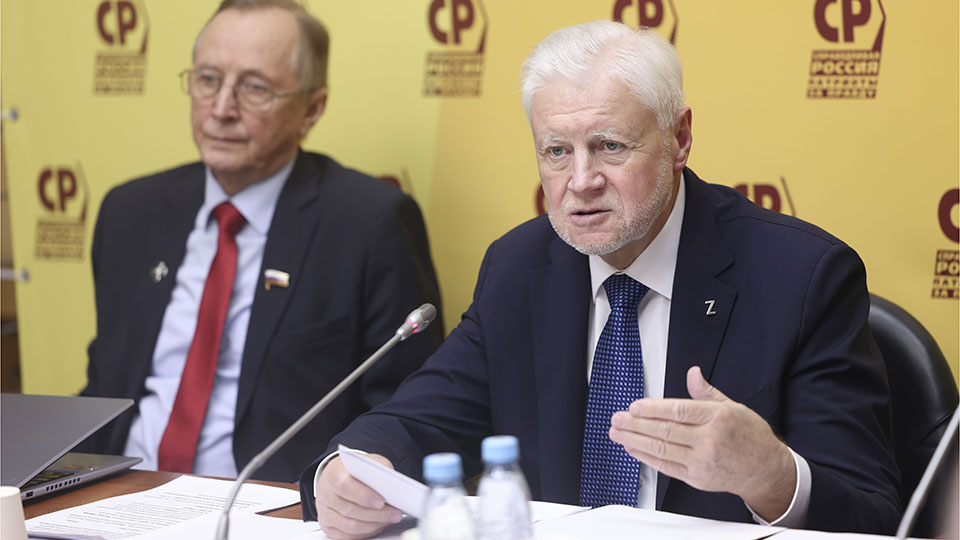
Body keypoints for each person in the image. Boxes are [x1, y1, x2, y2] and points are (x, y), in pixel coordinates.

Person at [300, 20, 900, 538]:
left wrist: (770, 475)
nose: (581, 181)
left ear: (679, 139)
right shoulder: (518, 268)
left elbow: (873, 515)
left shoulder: (800, 278)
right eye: (556, 152)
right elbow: (418, 420)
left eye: (609, 146)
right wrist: (345, 473)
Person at [80, 0, 443, 482]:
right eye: (208, 79)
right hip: (115, 494)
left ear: (312, 108)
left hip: (267, 502)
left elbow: (407, 413)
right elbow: (106, 386)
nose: (221, 109)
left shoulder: (368, 223)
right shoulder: (130, 212)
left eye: (254, 88)